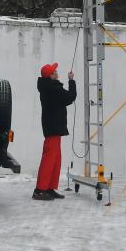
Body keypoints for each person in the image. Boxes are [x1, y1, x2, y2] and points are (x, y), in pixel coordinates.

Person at [33, 62, 76, 201]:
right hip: (53, 128)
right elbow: (70, 97)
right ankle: (40, 190)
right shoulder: (53, 88)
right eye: (54, 72)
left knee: (55, 159)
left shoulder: (48, 87)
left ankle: (49, 188)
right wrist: (71, 81)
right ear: (50, 76)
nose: (57, 73)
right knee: (49, 159)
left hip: (53, 127)